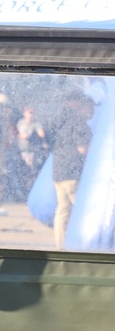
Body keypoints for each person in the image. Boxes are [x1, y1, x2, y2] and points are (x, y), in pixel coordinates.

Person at [51, 88, 95, 248]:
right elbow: (83, 149)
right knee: (83, 209)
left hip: (59, 172)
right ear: (80, 105)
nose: (92, 111)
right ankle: (87, 245)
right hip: (72, 174)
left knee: (63, 210)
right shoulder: (79, 124)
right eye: (90, 107)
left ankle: (60, 246)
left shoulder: (63, 121)